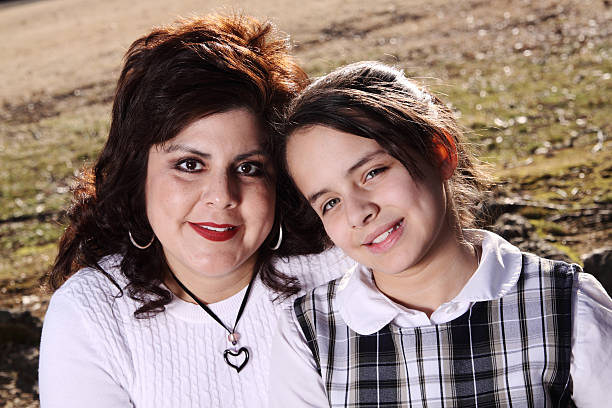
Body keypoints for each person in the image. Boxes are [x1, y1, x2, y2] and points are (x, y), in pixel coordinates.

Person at [38, 15, 353, 407]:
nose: (221, 197)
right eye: (189, 164)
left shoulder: (342, 271)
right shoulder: (91, 314)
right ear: (139, 173)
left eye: (248, 168)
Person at [270, 61, 612, 406]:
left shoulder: (566, 304)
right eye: (330, 202)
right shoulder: (309, 334)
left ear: (439, 152)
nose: (359, 212)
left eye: (373, 173)